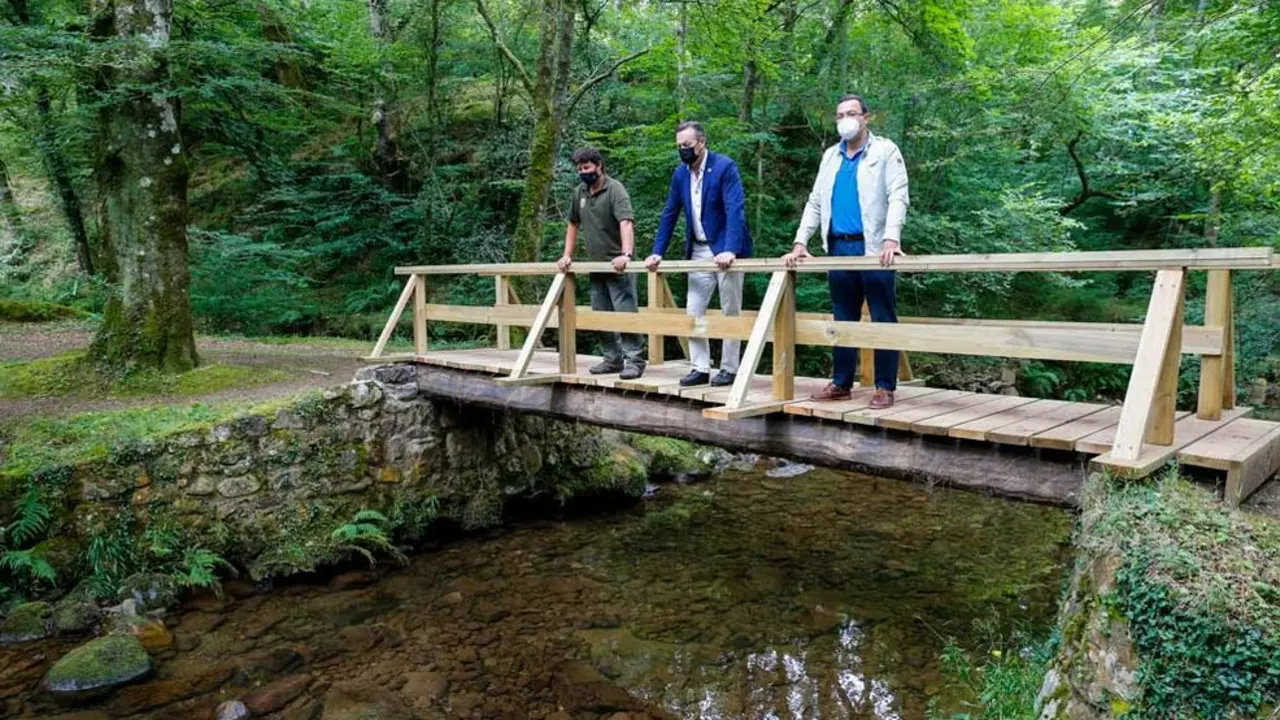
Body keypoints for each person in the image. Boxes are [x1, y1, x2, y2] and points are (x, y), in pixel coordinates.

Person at [783, 94, 909, 408]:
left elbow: (898, 195)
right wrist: (801, 241)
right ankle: (841, 382)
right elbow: (815, 201)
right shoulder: (830, 156)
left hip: (874, 247)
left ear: (866, 117)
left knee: (882, 316)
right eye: (839, 115)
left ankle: (884, 386)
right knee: (842, 318)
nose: (845, 119)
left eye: (851, 113)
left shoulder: (885, 150)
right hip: (838, 246)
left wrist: (891, 239)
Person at [645, 121, 752, 387]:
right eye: (679, 146)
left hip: (727, 250)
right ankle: (700, 367)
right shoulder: (680, 174)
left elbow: (735, 209)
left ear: (702, 142)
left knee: (730, 310)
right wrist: (657, 252)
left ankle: (729, 368)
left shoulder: (725, 167)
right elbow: (670, 214)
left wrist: (730, 249)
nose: (683, 150)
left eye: (688, 145)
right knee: (693, 310)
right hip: (698, 250)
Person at [556, 147, 646, 380]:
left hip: (617, 265)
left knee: (625, 312)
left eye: (586, 168)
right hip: (595, 265)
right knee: (600, 313)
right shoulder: (580, 192)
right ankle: (612, 358)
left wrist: (626, 255)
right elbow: (573, 224)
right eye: (579, 169)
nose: (582, 172)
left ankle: (634, 360)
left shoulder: (615, 189)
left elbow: (626, 222)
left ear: (599, 166)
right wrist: (567, 255)